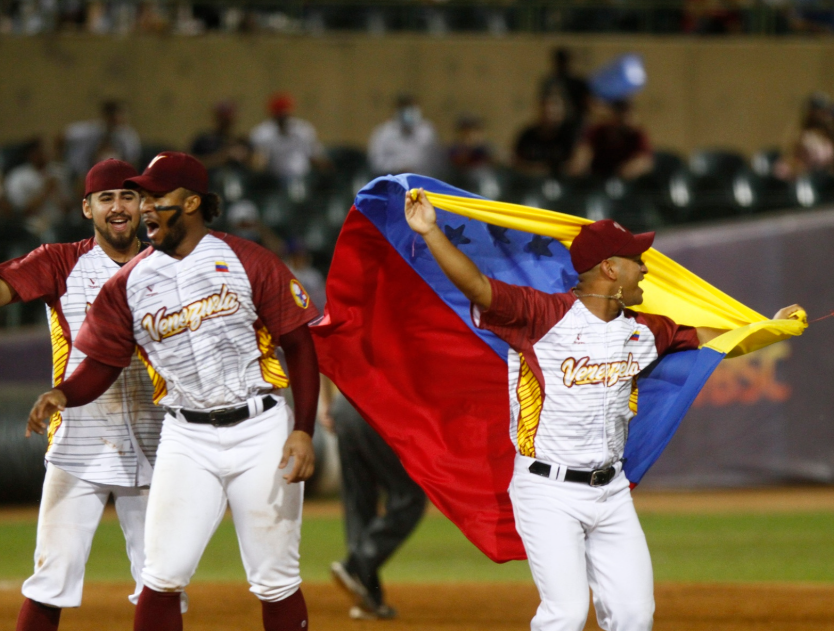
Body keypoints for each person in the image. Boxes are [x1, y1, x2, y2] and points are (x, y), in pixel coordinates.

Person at [403, 188, 803, 631]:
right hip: (547, 491)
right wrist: (432, 232)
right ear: (610, 269)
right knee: (566, 614)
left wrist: (769, 327)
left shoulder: (646, 330)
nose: (646, 269)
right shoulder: (542, 315)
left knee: (635, 616)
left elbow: (713, 340)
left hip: (611, 492)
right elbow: (478, 287)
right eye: (637, 261)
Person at [26, 151, 320, 631]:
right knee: (160, 576)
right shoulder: (130, 282)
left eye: (155, 196)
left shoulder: (248, 261)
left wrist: (303, 429)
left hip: (261, 427)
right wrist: (65, 394)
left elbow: (300, 345)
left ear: (191, 202)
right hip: (186, 436)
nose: (144, 207)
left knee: (275, 578)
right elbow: (102, 364)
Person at [0, 159, 166, 631]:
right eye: (106, 198)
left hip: (160, 443)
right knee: (51, 579)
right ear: (86, 208)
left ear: (142, 205)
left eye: (127, 196)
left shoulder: (170, 263)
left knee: (163, 583)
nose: (118, 206)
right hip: (78, 441)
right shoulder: (59, 261)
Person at [319, 379, 426, 620]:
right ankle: (358, 564)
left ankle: (368, 597)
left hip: (344, 405)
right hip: (377, 407)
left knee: (359, 502)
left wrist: (327, 403)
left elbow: (320, 349)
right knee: (410, 496)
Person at [250, 92, 331, 181]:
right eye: (280, 113)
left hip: (304, 178)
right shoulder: (262, 133)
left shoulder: (302, 129)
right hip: (275, 180)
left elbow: (316, 155)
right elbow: (258, 162)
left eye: (286, 112)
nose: (283, 115)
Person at [4, 137, 71, 242]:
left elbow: (69, 207)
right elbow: (22, 212)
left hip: (63, 222)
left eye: (44, 150)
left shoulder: (58, 170)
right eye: (39, 152)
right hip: (34, 226)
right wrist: (45, 191)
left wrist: (56, 192)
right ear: (30, 155)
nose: (43, 154)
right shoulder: (17, 177)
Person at [569, 99, 654, 181]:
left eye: (630, 115)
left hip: (625, 184)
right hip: (597, 180)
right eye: (621, 114)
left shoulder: (637, 135)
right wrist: (579, 163)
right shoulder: (598, 131)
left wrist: (628, 170)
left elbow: (644, 161)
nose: (626, 120)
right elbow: (584, 151)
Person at [64, 100, 141, 181]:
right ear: (106, 116)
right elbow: (63, 136)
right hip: (85, 174)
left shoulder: (128, 135)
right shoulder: (90, 130)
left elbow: (133, 160)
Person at [368, 94, 440, 177]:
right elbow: (376, 163)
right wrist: (399, 167)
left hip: (423, 180)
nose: (408, 113)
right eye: (404, 110)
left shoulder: (427, 131)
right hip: (394, 180)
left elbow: (436, 162)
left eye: (412, 109)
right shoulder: (383, 133)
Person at [513, 93, 581, 177]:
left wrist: (545, 170)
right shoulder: (528, 135)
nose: (550, 115)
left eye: (554, 112)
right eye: (546, 111)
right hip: (530, 183)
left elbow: (576, 166)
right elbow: (516, 162)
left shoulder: (570, 135)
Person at [190, 100, 252, 170]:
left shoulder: (241, 142)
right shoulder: (204, 141)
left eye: (228, 119)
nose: (225, 122)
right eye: (223, 118)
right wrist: (224, 156)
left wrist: (247, 158)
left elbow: (257, 166)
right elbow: (192, 165)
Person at [539, 47, 590, 128]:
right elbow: (543, 103)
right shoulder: (550, 83)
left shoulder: (576, 83)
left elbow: (584, 104)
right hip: (555, 124)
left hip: (573, 123)